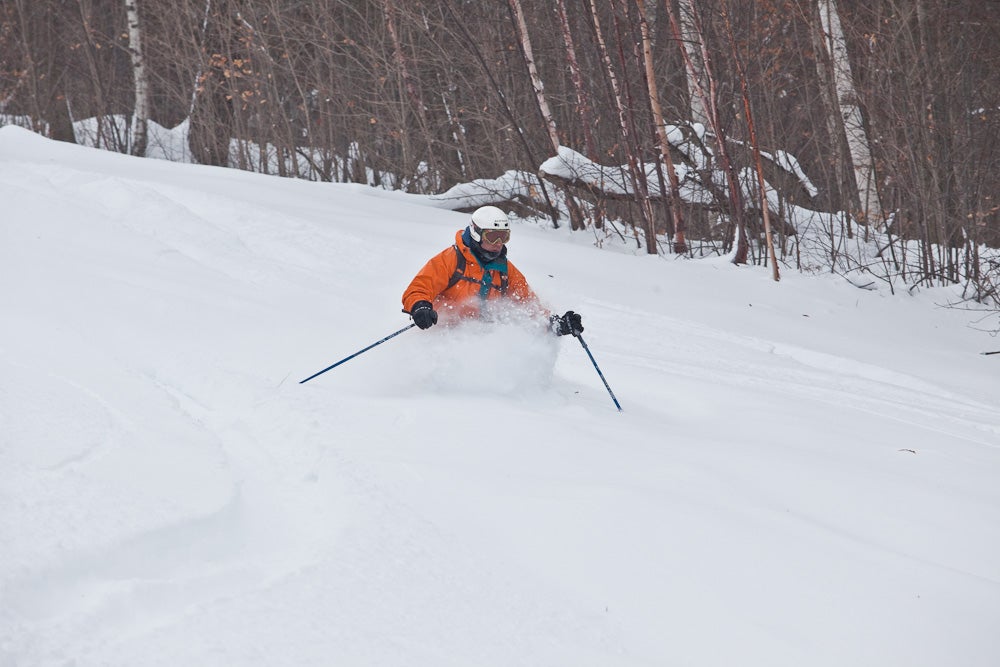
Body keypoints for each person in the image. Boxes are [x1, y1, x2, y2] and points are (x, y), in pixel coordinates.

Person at [401, 205, 583, 336]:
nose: (498, 244)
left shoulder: (505, 271)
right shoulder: (451, 259)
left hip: (481, 341)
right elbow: (419, 288)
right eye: (493, 237)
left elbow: (528, 306)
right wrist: (420, 306)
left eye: (504, 237)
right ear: (476, 233)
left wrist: (556, 324)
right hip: (442, 334)